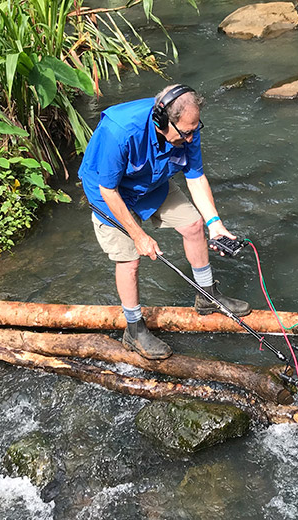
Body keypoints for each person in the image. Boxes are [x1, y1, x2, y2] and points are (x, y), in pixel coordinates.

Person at [78, 84, 250, 360]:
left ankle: (207, 296)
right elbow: (107, 190)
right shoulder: (120, 131)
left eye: (196, 129)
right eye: (186, 132)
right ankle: (133, 329)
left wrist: (215, 223)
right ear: (161, 121)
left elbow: (195, 177)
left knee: (194, 225)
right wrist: (138, 235)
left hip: (152, 181)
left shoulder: (187, 129)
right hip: (109, 192)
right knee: (130, 260)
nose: (192, 138)